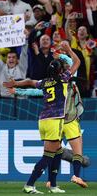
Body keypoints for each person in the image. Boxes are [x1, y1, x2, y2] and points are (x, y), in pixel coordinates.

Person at [5, 41, 80, 194]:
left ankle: (53, 185)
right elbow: (77, 62)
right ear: (60, 71)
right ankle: (29, 184)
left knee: (58, 151)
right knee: (48, 156)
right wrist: (69, 50)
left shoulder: (45, 82)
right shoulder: (64, 78)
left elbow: (30, 82)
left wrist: (16, 84)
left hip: (43, 120)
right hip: (55, 120)